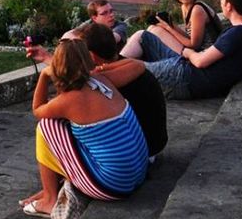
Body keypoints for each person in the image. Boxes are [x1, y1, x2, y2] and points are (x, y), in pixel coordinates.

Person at [21, 40, 149, 218]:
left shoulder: (70, 100)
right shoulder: (102, 80)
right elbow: (137, 65)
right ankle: (51, 186)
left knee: (47, 126)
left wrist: (43, 76)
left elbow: (38, 110)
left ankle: (49, 198)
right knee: (75, 129)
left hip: (113, 186)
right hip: (137, 173)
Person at [30, 25, 168, 161]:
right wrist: (47, 58)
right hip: (154, 144)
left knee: (52, 124)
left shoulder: (103, 80)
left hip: (140, 152)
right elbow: (139, 65)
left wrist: (45, 73)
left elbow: (39, 110)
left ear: (91, 55)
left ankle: (71, 175)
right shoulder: (126, 66)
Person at [140, 0, 242, 99]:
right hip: (196, 78)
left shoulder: (236, 33)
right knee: (143, 37)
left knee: (133, 68)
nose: (220, 2)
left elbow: (200, 62)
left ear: (228, 6)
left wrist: (187, 52)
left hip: (185, 78)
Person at [122, 0, 220, 61]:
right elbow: (188, 37)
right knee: (153, 28)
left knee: (146, 34)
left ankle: (121, 61)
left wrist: (169, 29)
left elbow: (194, 44)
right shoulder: (185, 7)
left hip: (204, 56)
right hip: (196, 53)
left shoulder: (197, 10)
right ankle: (123, 62)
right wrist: (171, 24)